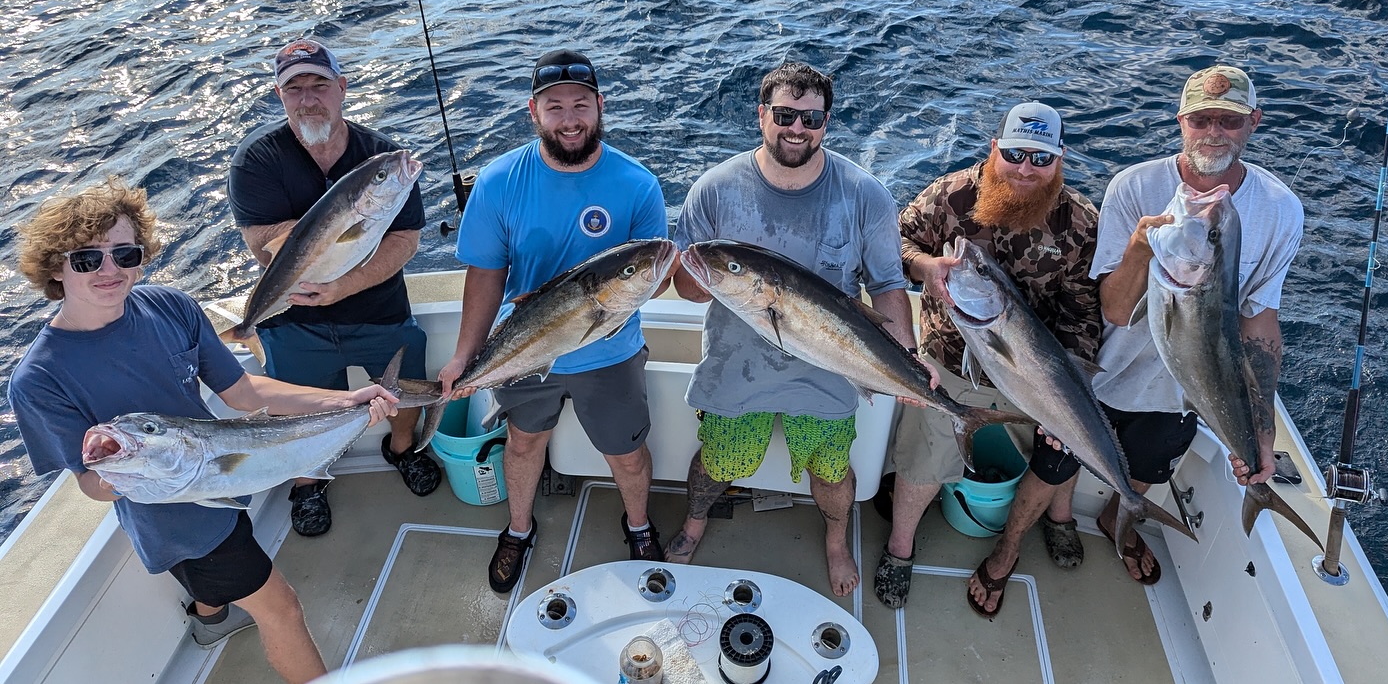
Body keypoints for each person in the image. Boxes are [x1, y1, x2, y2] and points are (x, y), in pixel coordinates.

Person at [10, 178, 400, 684]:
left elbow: (246, 395)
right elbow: (88, 483)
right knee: (281, 609)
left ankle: (210, 620)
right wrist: (118, 468)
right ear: (56, 268)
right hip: (175, 522)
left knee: (216, 574)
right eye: (88, 259)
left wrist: (347, 401)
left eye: (125, 255)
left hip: (219, 475)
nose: (110, 271)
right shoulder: (39, 378)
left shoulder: (169, 307)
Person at [665, 61, 931, 598]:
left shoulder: (866, 195)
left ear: (826, 123)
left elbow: (885, 284)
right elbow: (687, 289)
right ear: (762, 114)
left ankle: (837, 538)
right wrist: (699, 274)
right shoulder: (714, 190)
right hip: (736, 364)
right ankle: (696, 520)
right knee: (723, 459)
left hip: (832, 366)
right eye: (784, 114)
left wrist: (908, 357)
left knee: (831, 469)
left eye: (810, 118)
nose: (796, 128)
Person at [438, 49, 669, 594]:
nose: (570, 119)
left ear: (600, 107)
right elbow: (487, 277)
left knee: (628, 454)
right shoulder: (498, 182)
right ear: (533, 112)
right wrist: (462, 357)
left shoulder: (638, 186)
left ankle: (637, 526)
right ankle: (518, 529)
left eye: (581, 105)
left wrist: (656, 276)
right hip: (527, 347)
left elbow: (651, 275)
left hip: (609, 354)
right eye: (556, 107)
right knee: (522, 444)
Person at [1069, 64, 1302, 587]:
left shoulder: (1282, 209)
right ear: (1181, 122)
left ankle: (1116, 521)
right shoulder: (1134, 186)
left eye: (1230, 120)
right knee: (1059, 467)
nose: (1214, 132)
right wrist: (1138, 247)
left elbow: (1260, 321)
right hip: (1110, 369)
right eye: (1201, 120)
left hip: (1185, 392)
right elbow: (1113, 309)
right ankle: (1061, 521)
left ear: (1253, 124)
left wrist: (1261, 434)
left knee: (1148, 470)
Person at [874, 101, 1103, 615]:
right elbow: (893, 246)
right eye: (1015, 153)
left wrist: (1066, 392)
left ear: (1060, 159)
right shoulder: (950, 197)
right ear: (994, 148)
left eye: (1040, 159)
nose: (1025, 169)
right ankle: (900, 548)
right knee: (922, 461)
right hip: (946, 361)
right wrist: (927, 266)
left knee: (1063, 450)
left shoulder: (1081, 221)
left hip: (1036, 371)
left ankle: (1058, 520)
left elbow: (1083, 311)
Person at [228, 38, 440, 538]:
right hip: (292, 318)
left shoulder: (381, 158)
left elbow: (406, 239)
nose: (308, 98)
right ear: (279, 96)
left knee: (401, 390)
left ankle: (401, 450)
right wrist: (338, 220)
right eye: (293, 88)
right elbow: (263, 246)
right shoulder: (256, 161)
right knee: (299, 407)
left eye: (319, 85)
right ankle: (308, 484)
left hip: (378, 307)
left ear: (342, 88)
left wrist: (345, 284)